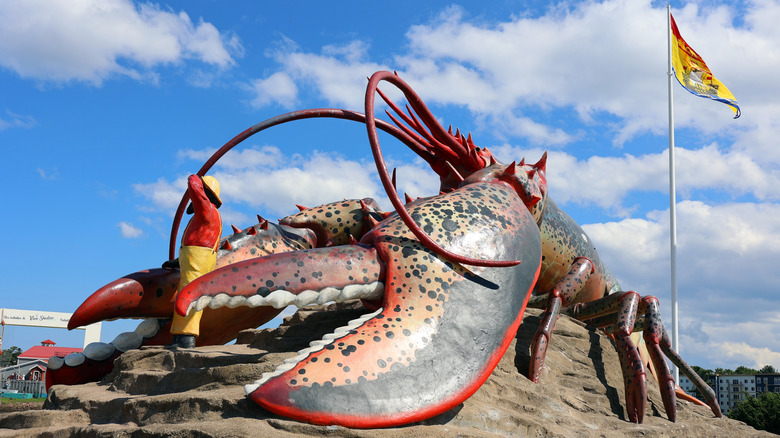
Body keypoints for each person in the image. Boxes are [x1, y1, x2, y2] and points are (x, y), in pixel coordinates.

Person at [168, 175, 222, 348]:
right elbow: (198, 240)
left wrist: (195, 178)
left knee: (189, 295)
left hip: (198, 259)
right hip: (194, 258)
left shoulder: (208, 209)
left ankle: (186, 338)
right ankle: (178, 337)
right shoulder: (205, 215)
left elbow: (194, 187)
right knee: (184, 293)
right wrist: (180, 262)